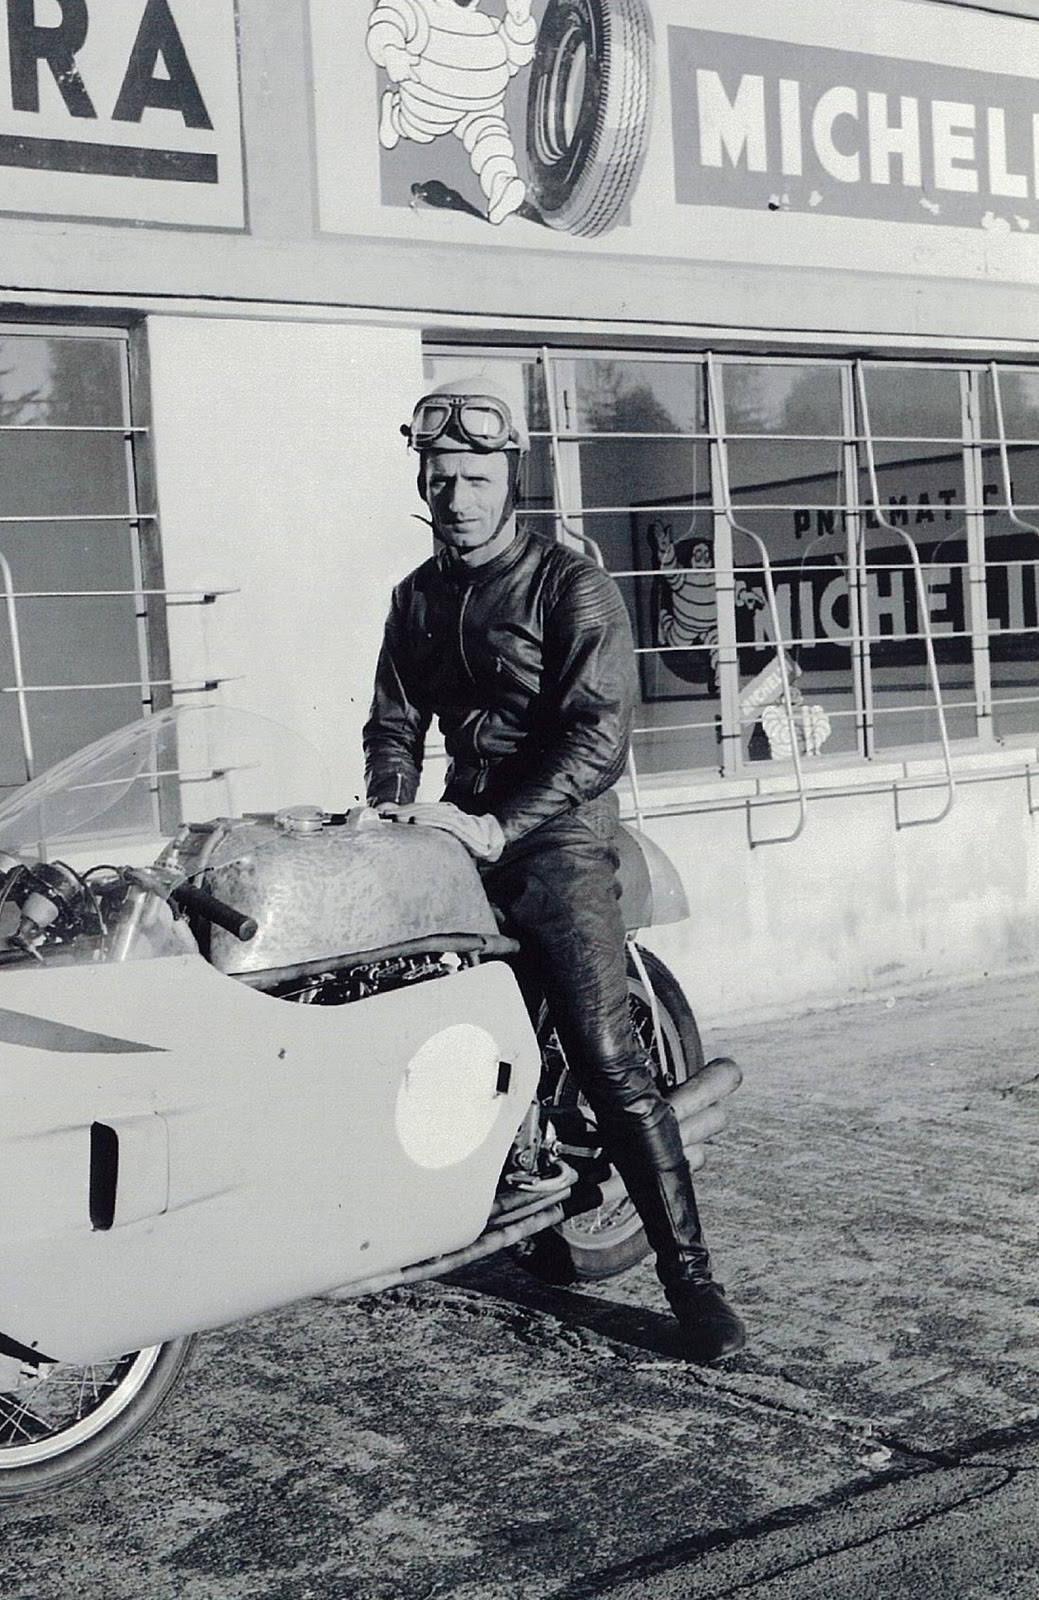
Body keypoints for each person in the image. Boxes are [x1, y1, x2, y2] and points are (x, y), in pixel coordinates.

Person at [363, 369, 747, 1363]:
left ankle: (692, 1282)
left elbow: (596, 739)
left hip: (558, 835)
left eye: (474, 475)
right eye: (439, 476)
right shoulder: (414, 598)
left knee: (610, 1059)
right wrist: (394, 803)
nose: (456, 495)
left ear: (508, 476)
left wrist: (499, 825)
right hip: (458, 834)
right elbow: (393, 722)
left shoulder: (565, 582)